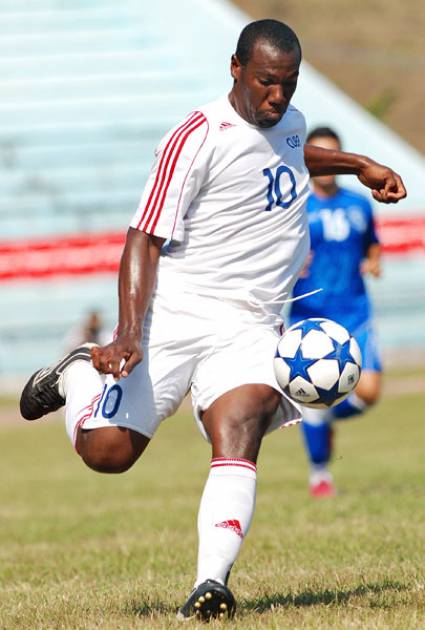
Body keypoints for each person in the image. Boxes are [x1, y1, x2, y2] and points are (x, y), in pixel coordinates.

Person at [19, 20, 406, 621]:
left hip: (249, 325)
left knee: (241, 428)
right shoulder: (196, 136)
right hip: (174, 313)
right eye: (267, 82)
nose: (279, 97)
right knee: (108, 453)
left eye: (290, 83)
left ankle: (210, 584)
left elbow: (298, 152)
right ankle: (77, 376)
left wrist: (361, 164)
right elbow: (142, 238)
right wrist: (126, 331)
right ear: (236, 68)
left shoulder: (291, 124)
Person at [288, 126, 383, 499]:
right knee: (312, 396)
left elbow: (372, 246)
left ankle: (320, 419)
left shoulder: (359, 204)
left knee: (370, 393)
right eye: (320, 157)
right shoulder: (295, 207)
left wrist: (374, 263)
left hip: (355, 311)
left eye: (334, 157)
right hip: (309, 317)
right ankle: (320, 475)